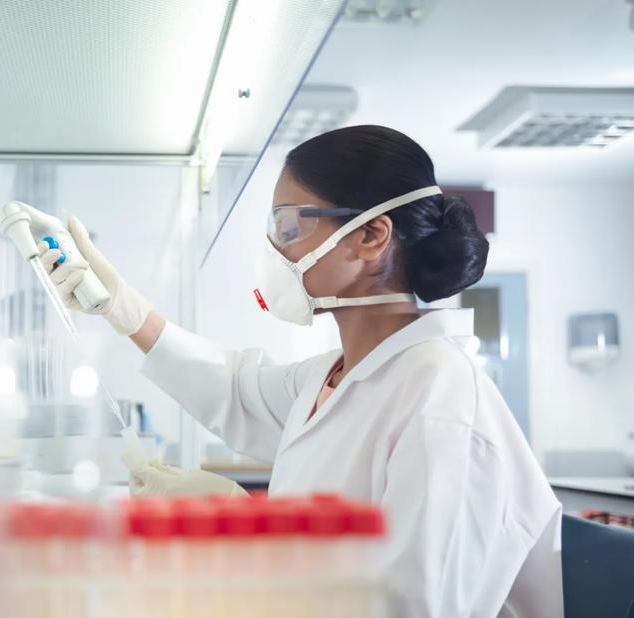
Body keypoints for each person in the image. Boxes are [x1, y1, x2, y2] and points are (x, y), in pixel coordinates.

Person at [35, 125, 563, 617]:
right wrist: (121, 309)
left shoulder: (439, 400)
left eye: (289, 226)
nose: (275, 249)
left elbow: (407, 607)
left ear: (371, 236)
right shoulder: (337, 376)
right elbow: (235, 389)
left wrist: (242, 530)